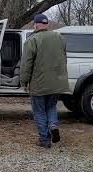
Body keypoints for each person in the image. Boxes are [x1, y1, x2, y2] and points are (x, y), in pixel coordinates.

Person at [20, 14, 70, 148]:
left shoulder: (32, 40)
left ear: (36, 24)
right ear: (47, 24)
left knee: (39, 111)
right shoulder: (60, 38)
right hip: (56, 84)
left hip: (39, 84)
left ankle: (44, 140)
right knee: (51, 106)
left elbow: (26, 64)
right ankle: (53, 125)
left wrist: (24, 81)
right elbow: (64, 59)